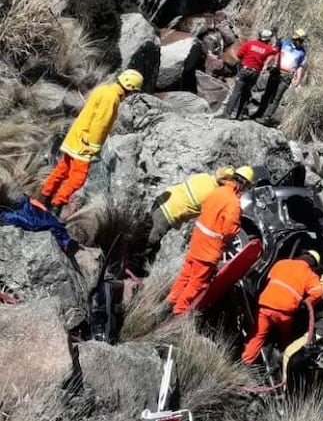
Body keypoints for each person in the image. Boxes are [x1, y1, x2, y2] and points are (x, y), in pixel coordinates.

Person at [38, 69, 144, 212]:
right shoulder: (112, 98)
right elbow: (100, 125)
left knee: (63, 169)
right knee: (78, 178)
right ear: (129, 88)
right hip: (85, 142)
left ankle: (44, 197)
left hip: (75, 136)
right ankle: (57, 204)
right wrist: (92, 148)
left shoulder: (103, 89)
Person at [166, 166, 254, 315]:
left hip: (196, 243)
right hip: (208, 251)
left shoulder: (217, 191)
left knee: (185, 276)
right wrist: (236, 229)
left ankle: (168, 303)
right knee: (197, 283)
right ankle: (177, 313)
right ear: (244, 184)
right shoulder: (233, 203)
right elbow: (229, 230)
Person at [241, 250, 323, 365]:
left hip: (266, 306)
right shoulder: (310, 275)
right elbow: (318, 293)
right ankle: (283, 359)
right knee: (285, 338)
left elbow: (269, 278)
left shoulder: (282, 263)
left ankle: (245, 363)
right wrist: (305, 304)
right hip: (285, 314)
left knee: (257, 336)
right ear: (313, 265)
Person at [145, 166, 236, 258]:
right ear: (225, 181)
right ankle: (138, 264)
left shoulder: (204, 176)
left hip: (161, 201)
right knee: (149, 244)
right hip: (169, 215)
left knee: (142, 232)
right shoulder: (213, 194)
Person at [281, 270, 323, 380]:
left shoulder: (320, 293)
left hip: (322, 329)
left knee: (289, 353)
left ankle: (285, 387)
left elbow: (302, 305)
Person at [215, 29, 278, 120]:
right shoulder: (268, 49)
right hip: (255, 73)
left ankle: (227, 114)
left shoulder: (250, 44)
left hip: (245, 69)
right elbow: (276, 50)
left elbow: (239, 54)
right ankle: (239, 115)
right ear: (268, 39)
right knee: (246, 93)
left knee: (236, 92)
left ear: (260, 36)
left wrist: (245, 60)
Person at [254, 28, 307, 124]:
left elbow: (300, 67)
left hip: (287, 77)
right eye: (300, 40)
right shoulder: (284, 43)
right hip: (276, 72)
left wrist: (298, 79)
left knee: (276, 98)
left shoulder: (302, 52)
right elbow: (274, 53)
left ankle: (266, 117)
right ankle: (259, 113)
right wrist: (266, 64)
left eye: (302, 40)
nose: (301, 42)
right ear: (295, 39)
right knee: (267, 94)